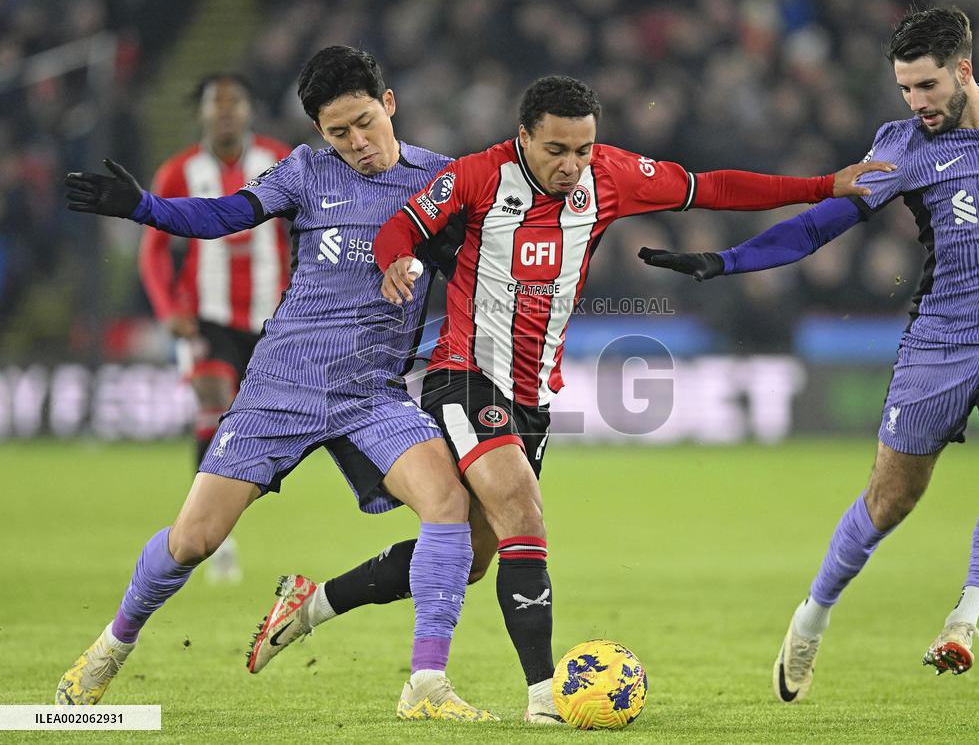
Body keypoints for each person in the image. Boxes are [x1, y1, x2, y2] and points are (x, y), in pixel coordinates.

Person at [254, 74, 891, 723]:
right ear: (524, 136)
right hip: (464, 374)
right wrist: (396, 261)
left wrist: (822, 186)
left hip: (532, 398)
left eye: (583, 148)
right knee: (525, 511)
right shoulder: (479, 175)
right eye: (557, 149)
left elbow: (712, 185)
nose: (572, 165)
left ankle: (310, 605)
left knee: (472, 559)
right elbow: (400, 226)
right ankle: (544, 697)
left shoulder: (611, 175)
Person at [58, 45, 495, 722]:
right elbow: (226, 214)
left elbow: (489, 263)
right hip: (279, 389)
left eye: (363, 123)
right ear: (319, 133)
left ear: (390, 104)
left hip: (372, 392)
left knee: (450, 508)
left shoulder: (443, 180)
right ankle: (109, 649)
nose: (355, 143)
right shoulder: (304, 171)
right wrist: (145, 207)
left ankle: (426, 684)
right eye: (337, 132)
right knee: (193, 539)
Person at [638, 6, 979, 702]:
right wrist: (726, 260)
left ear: (963, 70)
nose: (916, 102)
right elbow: (816, 227)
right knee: (892, 500)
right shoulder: (901, 150)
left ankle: (965, 618)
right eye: (905, 90)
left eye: (926, 86)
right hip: (942, 338)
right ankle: (813, 613)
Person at [139, 73, 292, 585]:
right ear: (201, 112)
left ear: (249, 110)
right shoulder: (179, 171)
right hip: (207, 315)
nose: (226, 112)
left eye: (235, 102)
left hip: (276, 318)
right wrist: (166, 309)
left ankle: (220, 514)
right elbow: (154, 249)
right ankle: (211, 537)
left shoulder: (280, 159)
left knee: (266, 424)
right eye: (216, 104)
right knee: (212, 399)